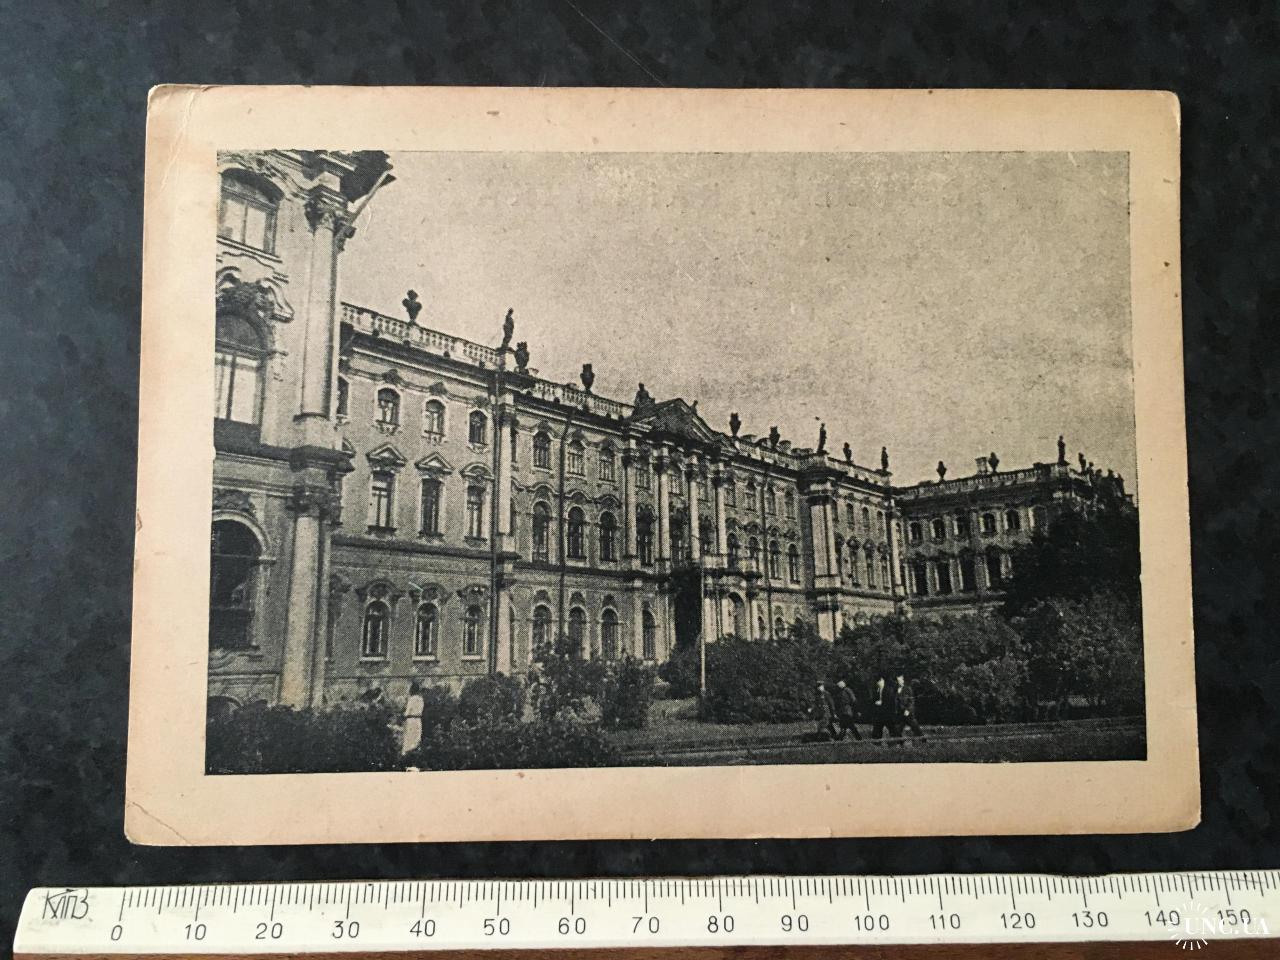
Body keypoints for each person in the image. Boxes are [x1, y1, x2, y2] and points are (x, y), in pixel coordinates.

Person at [894, 673, 926, 741]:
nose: (899, 682)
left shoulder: (908, 689)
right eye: (898, 680)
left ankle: (923, 740)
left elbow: (911, 701)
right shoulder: (897, 689)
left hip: (908, 713)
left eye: (900, 680)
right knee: (898, 729)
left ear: (903, 680)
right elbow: (896, 701)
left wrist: (908, 710)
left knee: (915, 727)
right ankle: (899, 742)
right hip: (900, 713)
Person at [870, 673, 897, 741]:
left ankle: (899, 742)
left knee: (892, 729)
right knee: (877, 729)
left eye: (879, 681)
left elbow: (890, 700)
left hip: (887, 713)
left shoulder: (888, 689)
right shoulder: (877, 689)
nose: (877, 683)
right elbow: (874, 700)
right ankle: (876, 742)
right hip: (880, 713)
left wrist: (881, 703)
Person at [401, 681, 424, 756]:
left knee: (409, 738)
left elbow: (407, 712)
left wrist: (402, 715)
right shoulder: (421, 699)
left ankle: (407, 755)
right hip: (418, 720)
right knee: (416, 738)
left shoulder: (411, 699)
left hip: (411, 720)